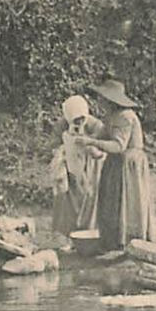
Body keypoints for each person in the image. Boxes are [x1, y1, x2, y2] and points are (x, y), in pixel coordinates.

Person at [79, 78, 155, 251]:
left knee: (127, 201)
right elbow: (102, 136)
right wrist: (88, 144)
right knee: (111, 200)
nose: (99, 101)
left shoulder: (125, 117)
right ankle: (113, 240)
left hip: (129, 163)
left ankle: (128, 240)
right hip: (116, 163)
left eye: (101, 98)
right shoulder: (111, 116)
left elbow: (118, 145)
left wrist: (92, 142)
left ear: (110, 100)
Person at [49, 94, 104, 241]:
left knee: (90, 195)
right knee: (67, 198)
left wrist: (88, 144)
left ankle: (89, 232)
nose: (79, 122)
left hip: (92, 166)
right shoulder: (61, 125)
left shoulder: (96, 125)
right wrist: (65, 146)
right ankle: (66, 234)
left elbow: (100, 147)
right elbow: (54, 145)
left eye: (81, 118)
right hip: (70, 166)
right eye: (75, 119)